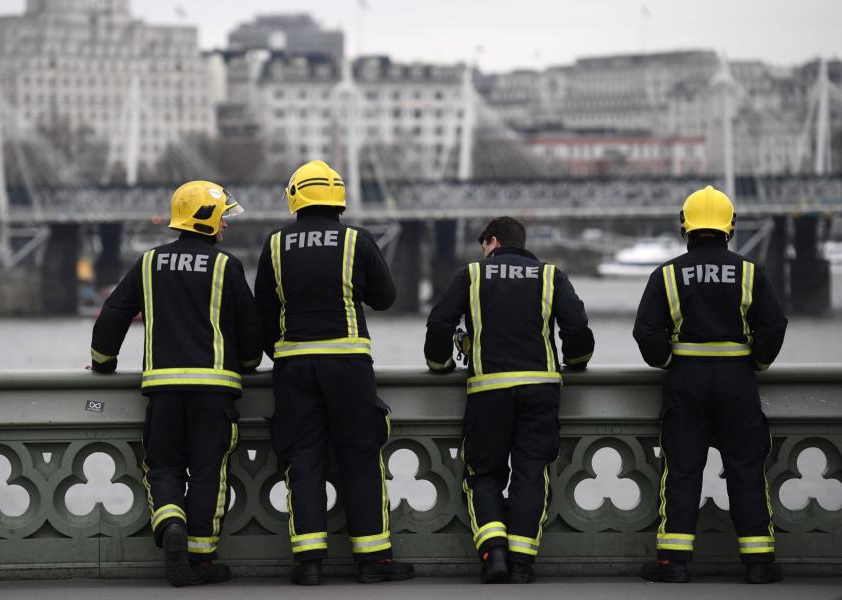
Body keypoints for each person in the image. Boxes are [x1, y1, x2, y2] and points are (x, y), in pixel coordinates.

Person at [89, 180, 262, 587]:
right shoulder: (226, 266)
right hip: (215, 388)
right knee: (207, 469)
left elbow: (113, 315)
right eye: (223, 217)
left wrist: (103, 362)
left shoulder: (148, 263)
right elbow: (250, 330)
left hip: (163, 388)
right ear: (206, 219)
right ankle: (200, 560)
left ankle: (170, 525)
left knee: (163, 464)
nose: (226, 226)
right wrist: (250, 362)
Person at [254, 160, 414, 585]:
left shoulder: (274, 245)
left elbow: (262, 315)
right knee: (360, 456)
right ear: (338, 197)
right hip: (348, 364)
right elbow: (385, 298)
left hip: (294, 367)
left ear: (295, 196)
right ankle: (373, 561)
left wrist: (283, 353)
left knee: (301, 459)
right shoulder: (355, 240)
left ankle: (308, 562)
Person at [424, 216, 594, 584]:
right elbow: (577, 328)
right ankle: (521, 560)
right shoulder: (550, 276)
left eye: (484, 245)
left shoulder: (471, 275)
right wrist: (577, 361)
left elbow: (439, 323)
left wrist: (439, 363)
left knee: (483, 473)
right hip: (541, 389)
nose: (483, 252)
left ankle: (494, 553)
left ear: (494, 242)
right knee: (531, 471)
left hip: (489, 390)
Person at [633, 185, 788, 584]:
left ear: (684, 226)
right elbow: (773, 325)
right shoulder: (751, 272)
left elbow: (647, 332)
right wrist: (757, 360)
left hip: (686, 380)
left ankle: (674, 562)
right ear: (730, 228)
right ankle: (758, 563)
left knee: (683, 468)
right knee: (745, 467)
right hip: (737, 381)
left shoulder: (666, 274)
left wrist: (668, 359)